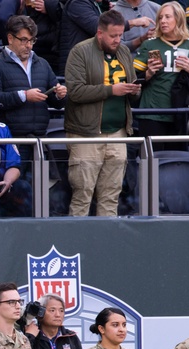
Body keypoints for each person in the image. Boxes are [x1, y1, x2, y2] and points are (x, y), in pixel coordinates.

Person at [63, 9, 141, 218]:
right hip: (86, 134)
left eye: (120, 35)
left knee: (111, 195)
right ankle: (76, 245)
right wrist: (111, 90)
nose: (118, 40)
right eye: (113, 36)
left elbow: (132, 83)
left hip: (118, 133)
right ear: (99, 33)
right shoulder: (80, 51)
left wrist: (134, 90)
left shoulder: (123, 52)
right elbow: (75, 91)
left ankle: (105, 246)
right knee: (82, 194)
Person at [0, 15, 66, 168]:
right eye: (24, 40)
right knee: (18, 189)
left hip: (40, 140)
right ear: (10, 38)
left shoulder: (42, 64)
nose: (29, 45)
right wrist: (24, 96)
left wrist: (59, 95)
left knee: (43, 190)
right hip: (10, 141)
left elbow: (57, 103)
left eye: (32, 40)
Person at [133, 1, 189, 147]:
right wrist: (148, 73)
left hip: (180, 111)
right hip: (152, 111)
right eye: (160, 18)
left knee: (177, 161)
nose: (163, 21)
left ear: (179, 19)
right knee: (152, 161)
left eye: (167, 17)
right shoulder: (149, 45)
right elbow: (133, 78)